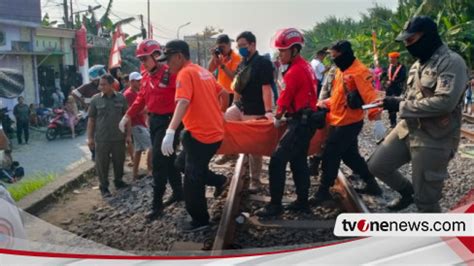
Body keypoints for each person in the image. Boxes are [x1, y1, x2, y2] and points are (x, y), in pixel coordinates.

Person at [368, 16, 469, 213]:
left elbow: (445, 103)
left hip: (434, 137)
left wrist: (401, 106)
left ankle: (433, 238)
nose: (408, 46)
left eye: (411, 40)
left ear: (427, 36)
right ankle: (408, 192)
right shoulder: (417, 65)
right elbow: (412, 96)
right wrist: (395, 101)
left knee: (426, 202)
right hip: (408, 129)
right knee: (376, 165)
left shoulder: (451, 62)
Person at [158, 40, 229, 232]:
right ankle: (220, 181)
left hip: (201, 137)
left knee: (191, 180)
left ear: (179, 56)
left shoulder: (185, 73)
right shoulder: (202, 71)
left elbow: (182, 102)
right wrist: (219, 115)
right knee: (181, 164)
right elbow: (224, 94)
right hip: (210, 134)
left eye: (169, 59)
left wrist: (170, 131)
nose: (167, 64)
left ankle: (200, 220)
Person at [256, 28, 326, 217]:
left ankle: (275, 205)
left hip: (300, 123)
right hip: (306, 120)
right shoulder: (306, 67)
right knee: (298, 161)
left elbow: (285, 99)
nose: (280, 55)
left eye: (282, 51)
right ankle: (302, 202)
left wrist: (277, 117)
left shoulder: (294, 71)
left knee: (277, 161)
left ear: (294, 50)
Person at [310, 40, 384, 205]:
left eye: (336, 56)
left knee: (331, 153)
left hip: (349, 122)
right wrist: (323, 104)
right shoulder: (340, 71)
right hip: (337, 119)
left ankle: (323, 191)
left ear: (345, 54)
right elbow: (337, 96)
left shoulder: (359, 71)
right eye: (332, 56)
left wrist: (377, 120)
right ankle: (372, 185)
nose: (334, 59)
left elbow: (370, 97)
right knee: (351, 157)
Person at [119, 39, 184, 221]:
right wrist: (128, 116)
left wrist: (176, 128)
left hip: (169, 123)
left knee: (158, 162)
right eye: (140, 59)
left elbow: (183, 99)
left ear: (156, 56)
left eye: (144, 58)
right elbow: (140, 99)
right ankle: (179, 192)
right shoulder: (146, 75)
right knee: (169, 159)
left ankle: (157, 205)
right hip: (154, 122)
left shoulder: (170, 75)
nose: (142, 62)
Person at [223, 31, 274, 188]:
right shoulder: (242, 63)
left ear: (253, 44)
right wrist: (235, 103)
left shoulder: (263, 63)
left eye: (243, 46)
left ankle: (255, 180)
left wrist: (268, 111)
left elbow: (266, 88)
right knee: (223, 121)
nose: (241, 50)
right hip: (241, 107)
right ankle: (230, 151)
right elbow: (238, 86)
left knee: (254, 148)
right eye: (239, 47)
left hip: (255, 109)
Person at [87, 74, 131, 198]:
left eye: (104, 84)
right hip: (102, 139)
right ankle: (104, 187)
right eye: (100, 84)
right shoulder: (95, 99)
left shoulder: (121, 98)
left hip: (118, 137)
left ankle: (118, 181)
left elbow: (127, 117)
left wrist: (128, 135)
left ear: (112, 85)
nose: (101, 87)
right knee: (102, 164)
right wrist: (90, 138)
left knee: (119, 161)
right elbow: (91, 120)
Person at [123, 71, 152, 181]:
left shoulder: (136, 92)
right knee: (152, 146)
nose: (140, 82)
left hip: (140, 123)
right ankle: (150, 170)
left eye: (140, 80)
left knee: (139, 150)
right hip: (136, 124)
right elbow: (132, 111)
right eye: (138, 81)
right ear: (132, 82)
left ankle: (135, 175)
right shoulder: (129, 94)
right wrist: (146, 109)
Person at [208, 34, 242, 110]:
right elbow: (210, 70)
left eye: (223, 47)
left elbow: (233, 77)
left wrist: (222, 65)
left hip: (232, 93)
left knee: (228, 118)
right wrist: (214, 56)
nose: (221, 49)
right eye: (219, 47)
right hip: (221, 92)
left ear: (229, 45)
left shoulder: (236, 57)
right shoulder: (220, 57)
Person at [384, 51, 407, 128]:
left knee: (396, 103)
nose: (390, 59)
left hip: (397, 88)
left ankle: (404, 120)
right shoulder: (389, 67)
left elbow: (402, 78)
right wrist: (384, 80)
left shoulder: (402, 67)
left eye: (391, 58)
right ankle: (392, 122)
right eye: (389, 58)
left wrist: (393, 82)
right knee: (389, 104)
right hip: (389, 89)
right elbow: (386, 76)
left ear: (396, 58)